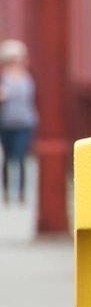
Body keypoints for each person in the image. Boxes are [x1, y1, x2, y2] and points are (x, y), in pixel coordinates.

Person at [0, 39, 38, 205]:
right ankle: (7, 192)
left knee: (21, 157)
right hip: (6, 122)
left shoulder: (28, 76)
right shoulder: (2, 78)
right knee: (7, 158)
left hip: (25, 122)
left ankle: (22, 192)